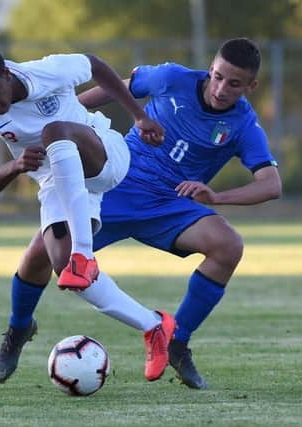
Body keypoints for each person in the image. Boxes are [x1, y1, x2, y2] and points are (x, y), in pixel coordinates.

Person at [0, 41, 175, 385]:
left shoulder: (49, 70)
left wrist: (139, 115)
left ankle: (83, 256)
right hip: (56, 181)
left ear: (5, 73)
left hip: (103, 154)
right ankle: (154, 325)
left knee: (54, 131)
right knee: (59, 266)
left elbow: (96, 65)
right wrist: (13, 167)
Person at [76, 37, 282, 389]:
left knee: (228, 246)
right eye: (218, 76)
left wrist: (216, 197)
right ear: (210, 68)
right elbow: (115, 87)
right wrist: (66, 118)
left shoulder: (243, 124)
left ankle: (177, 341)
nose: (221, 89)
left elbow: (270, 183)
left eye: (234, 84)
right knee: (48, 255)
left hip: (168, 205)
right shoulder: (172, 78)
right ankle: (18, 330)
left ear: (251, 86)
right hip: (117, 186)